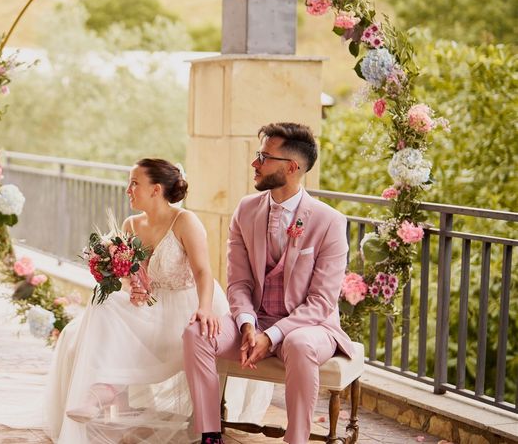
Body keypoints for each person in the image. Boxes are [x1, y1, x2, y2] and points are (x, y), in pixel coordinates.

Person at [182, 122, 353, 444]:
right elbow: (239, 283)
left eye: (263, 156)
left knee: (299, 343)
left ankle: (296, 440)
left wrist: (271, 336)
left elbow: (321, 302)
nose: (254, 163)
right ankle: (209, 433)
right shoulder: (246, 210)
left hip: (310, 326)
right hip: (254, 318)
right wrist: (247, 326)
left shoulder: (329, 221)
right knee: (197, 333)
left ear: (291, 167)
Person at [45, 158, 231, 443]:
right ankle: (101, 391)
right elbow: (131, 276)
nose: (127, 189)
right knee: (101, 304)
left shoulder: (185, 221)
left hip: (187, 305)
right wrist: (134, 287)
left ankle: (105, 389)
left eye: (134, 183)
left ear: (156, 189)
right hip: (152, 306)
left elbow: (204, 272)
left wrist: (204, 308)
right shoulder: (131, 224)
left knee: (100, 317)